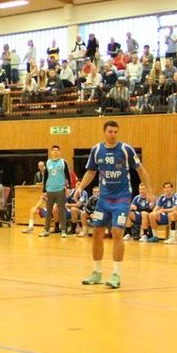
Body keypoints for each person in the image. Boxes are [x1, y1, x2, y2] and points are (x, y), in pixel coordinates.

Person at [75, 121, 151, 289]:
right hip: (103, 199)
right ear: (104, 132)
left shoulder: (126, 150)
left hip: (122, 198)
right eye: (110, 131)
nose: (113, 134)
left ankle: (116, 274)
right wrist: (80, 187)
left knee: (117, 232)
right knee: (97, 233)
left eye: (116, 131)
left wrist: (150, 191)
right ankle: (96, 272)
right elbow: (91, 171)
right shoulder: (97, 150)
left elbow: (140, 170)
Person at [40, 145, 72, 237]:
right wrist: (44, 190)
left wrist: (69, 188)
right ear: (51, 152)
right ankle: (46, 230)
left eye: (57, 150)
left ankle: (63, 230)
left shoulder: (63, 162)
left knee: (61, 211)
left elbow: (68, 175)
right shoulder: (48, 162)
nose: (55, 152)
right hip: (49, 190)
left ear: (59, 152)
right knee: (48, 211)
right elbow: (45, 177)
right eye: (53, 150)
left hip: (60, 190)